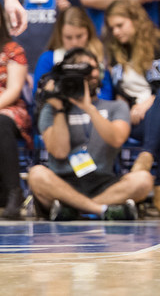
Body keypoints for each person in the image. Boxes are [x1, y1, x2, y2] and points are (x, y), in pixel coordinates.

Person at [27, 49, 152, 220]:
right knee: (37, 174)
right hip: (62, 183)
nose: (92, 74)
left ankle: (73, 209)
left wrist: (88, 107)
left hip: (104, 183)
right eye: (84, 70)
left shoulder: (116, 107)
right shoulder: (52, 108)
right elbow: (59, 151)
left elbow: (116, 139)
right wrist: (60, 109)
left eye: (94, 68)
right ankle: (102, 210)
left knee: (143, 180)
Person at [103, 0, 160, 219]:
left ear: (136, 20)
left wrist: (149, 102)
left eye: (120, 25)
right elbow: (118, 93)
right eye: (112, 28)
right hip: (139, 121)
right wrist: (125, 109)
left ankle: (146, 155)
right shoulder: (114, 52)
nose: (116, 32)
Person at [33, 7, 107, 96]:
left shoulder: (99, 56)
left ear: (89, 32)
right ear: (60, 36)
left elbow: (107, 96)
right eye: (68, 37)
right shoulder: (48, 59)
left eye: (79, 36)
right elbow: (37, 96)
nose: (74, 43)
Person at [0, 10, 29, 219]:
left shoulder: (13, 49)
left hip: (8, 106)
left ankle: (13, 191)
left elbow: (13, 90)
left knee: (0, 122)